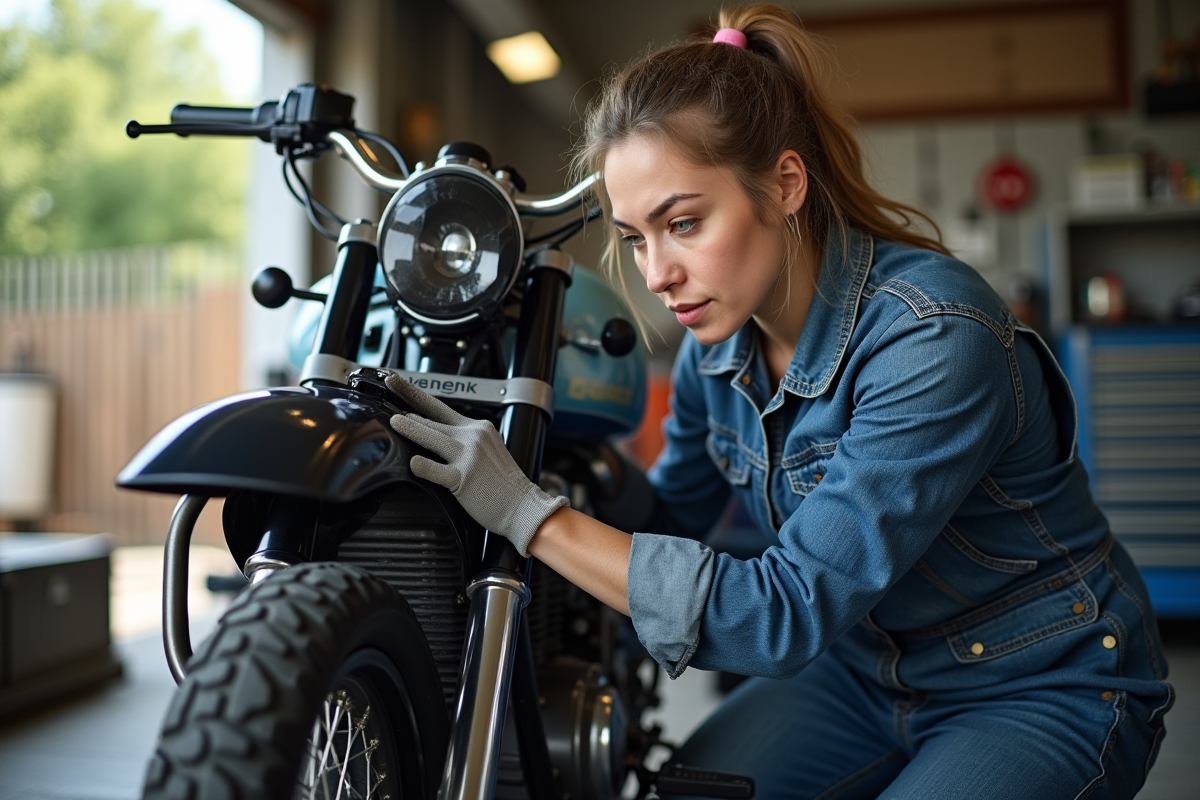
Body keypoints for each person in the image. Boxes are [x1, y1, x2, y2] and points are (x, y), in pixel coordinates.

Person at [386, 4, 1173, 797]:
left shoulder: (934, 339)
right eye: (635, 237)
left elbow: (784, 611)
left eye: (683, 222)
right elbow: (670, 520)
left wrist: (529, 514)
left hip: (1038, 679)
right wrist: (557, 460)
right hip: (862, 672)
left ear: (785, 184)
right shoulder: (715, 354)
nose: (657, 274)